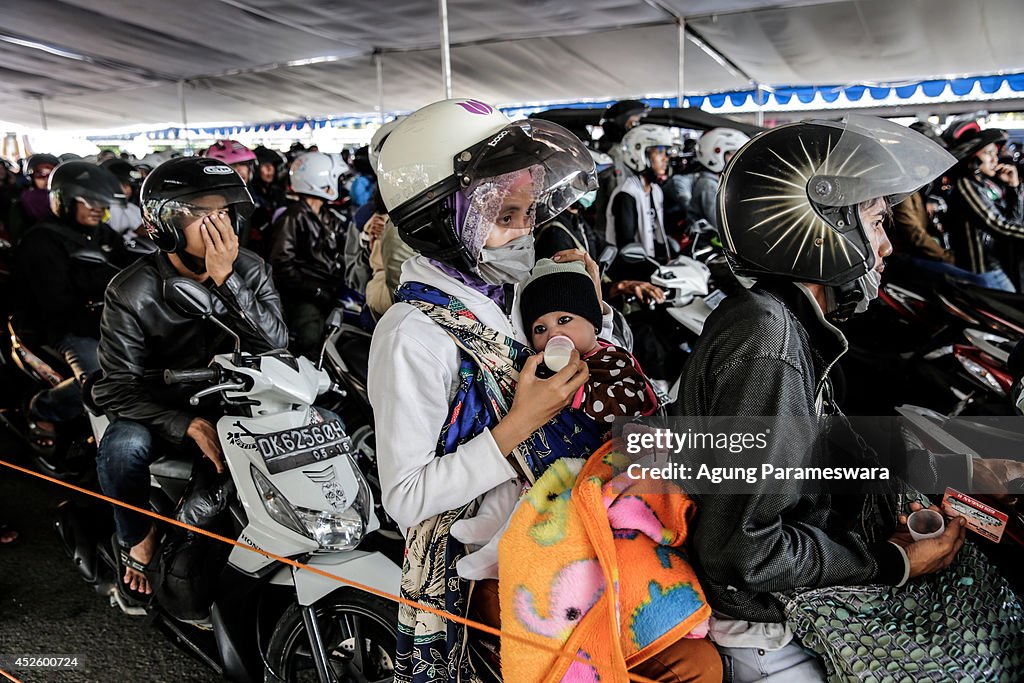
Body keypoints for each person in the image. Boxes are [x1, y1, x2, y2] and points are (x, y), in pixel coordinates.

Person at [369, 97, 718, 683]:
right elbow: (405, 498)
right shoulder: (415, 334)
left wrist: (589, 304)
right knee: (692, 665)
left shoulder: (498, 300)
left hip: (575, 533)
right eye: (506, 215)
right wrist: (517, 427)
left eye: (529, 213)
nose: (525, 232)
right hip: (503, 565)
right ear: (440, 218)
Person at [674, 115, 1024, 681]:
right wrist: (894, 562)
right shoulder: (769, 342)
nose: (886, 246)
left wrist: (929, 470)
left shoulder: (783, 317)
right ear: (822, 225)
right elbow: (742, 550)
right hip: (771, 632)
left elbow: (817, 446)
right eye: (877, 221)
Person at [93, 156, 288, 600]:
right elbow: (115, 385)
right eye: (200, 215)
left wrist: (227, 281)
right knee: (122, 447)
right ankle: (136, 539)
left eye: (223, 212)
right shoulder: (130, 290)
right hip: (159, 410)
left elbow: (275, 346)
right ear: (164, 227)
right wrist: (185, 424)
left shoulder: (250, 268)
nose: (218, 225)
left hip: (234, 404)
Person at [452, 257, 659, 582]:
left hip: (606, 459)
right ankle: (489, 522)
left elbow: (630, 401)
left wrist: (578, 394)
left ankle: (498, 553)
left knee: (541, 493)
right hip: (556, 453)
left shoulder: (611, 358)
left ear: (594, 324)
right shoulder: (545, 367)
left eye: (565, 319)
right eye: (540, 328)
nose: (554, 334)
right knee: (512, 478)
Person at [15, 161, 132, 449]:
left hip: (109, 321)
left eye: (100, 202)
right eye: (89, 201)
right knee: (103, 381)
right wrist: (107, 325)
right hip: (65, 329)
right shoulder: (42, 240)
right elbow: (57, 306)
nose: (97, 208)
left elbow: (129, 272)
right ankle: (44, 408)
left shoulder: (105, 235)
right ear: (65, 199)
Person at [269, 151, 348, 357]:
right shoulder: (292, 218)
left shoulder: (327, 215)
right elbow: (281, 264)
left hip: (330, 290)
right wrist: (314, 290)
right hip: (305, 297)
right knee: (311, 338)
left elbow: (345, 244)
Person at [944, 122, 1024, 291]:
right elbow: (999, 226)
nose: (995, 159)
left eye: (995, 153)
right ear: (972, 157)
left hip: (996, 266)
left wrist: (1013, 188)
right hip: (983, 272)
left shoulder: (985, 184)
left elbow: (1013, 220)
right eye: (989, 153)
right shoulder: (966, 186)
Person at [687, 127, 749, 230]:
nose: (737, 160)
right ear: (716, 154)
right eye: (732, 154)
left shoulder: (715, 182)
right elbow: (723, 226)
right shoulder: (708, 186)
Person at [8, 153, 59, 242]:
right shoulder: (29, 198)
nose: (47, 179)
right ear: (31, 177)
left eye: (51, 174)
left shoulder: (64, 196)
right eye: (41, 174)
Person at [101, 159, 145, 242]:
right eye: (124, 185)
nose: (127, 190)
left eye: (130, 186)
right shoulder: (100, 209)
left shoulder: (133, 208)